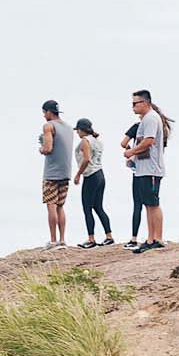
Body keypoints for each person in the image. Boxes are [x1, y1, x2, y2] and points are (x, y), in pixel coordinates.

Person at [122, 89, 172, 251]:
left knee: (153, 203)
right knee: (147, 204)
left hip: (151, 169)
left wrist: (131, 151)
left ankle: (157, 238)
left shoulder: (150, 118)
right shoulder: (147, 119)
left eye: (135, 103)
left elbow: (149, 141)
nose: (133, 107)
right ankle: (151, 238)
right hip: (144, 169)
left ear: (145, 103)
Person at [37, 100, 76, 247]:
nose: (43, 116)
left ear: (48, 112)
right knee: (60, 206)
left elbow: (48, 148)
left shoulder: (49, 126)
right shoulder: (68, 128)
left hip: (52, 172)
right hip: (65, 171)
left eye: (44, 112)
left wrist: (41, 148)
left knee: (51, 205)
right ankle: (62, 239)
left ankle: (53, 240)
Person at [73, 117, 113, 247]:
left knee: (87, 208)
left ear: (82, 130)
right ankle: (109, 236)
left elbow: (86, 159)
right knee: (98, 207)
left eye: (77, 130)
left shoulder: (85, 141)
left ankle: (91, 239)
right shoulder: (97, 141)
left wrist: (78, 174)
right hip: (100, 175)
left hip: (91, 176)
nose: (77, 133)